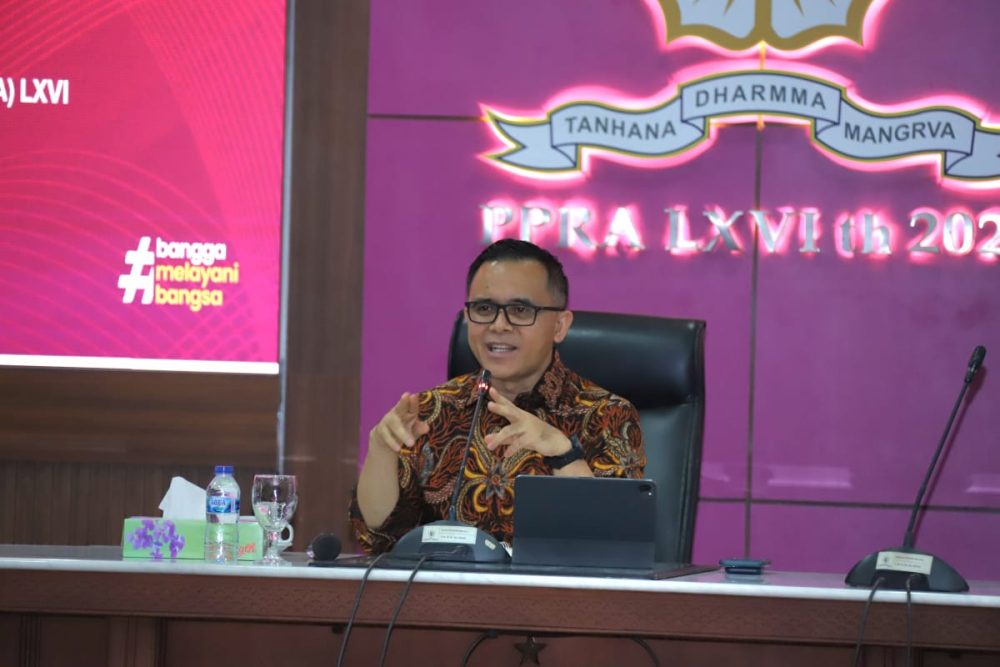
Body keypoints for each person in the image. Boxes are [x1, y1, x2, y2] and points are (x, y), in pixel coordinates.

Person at [350, 239, 645, 553]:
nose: (499, 325)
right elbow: (380, 537)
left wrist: (563, 453)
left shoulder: (607, 415)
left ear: (559, 326)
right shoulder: (432, 410)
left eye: (520, 310)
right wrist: (381, 450)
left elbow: (615, 547)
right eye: (484, 309)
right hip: (447, 585)